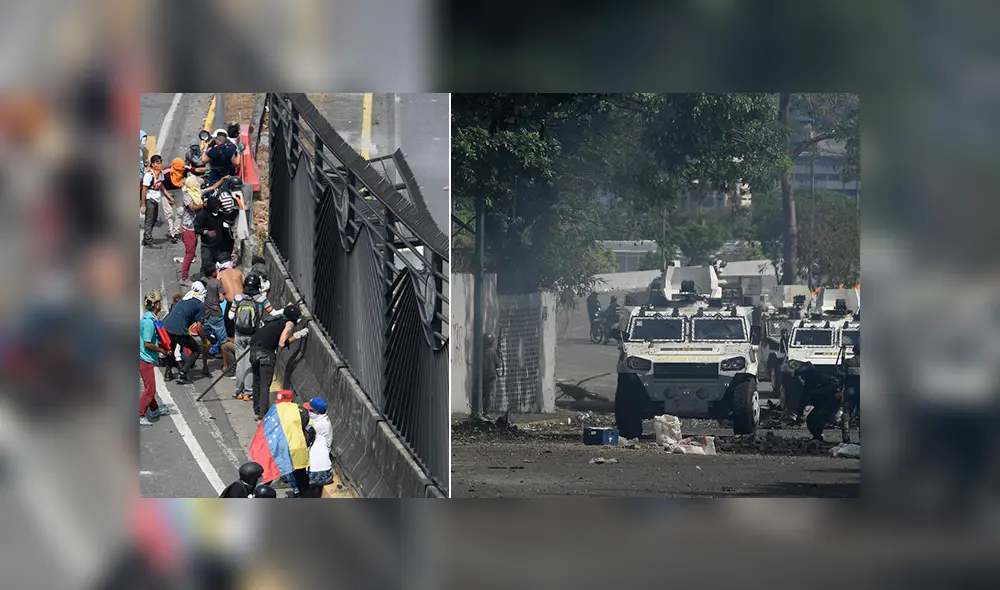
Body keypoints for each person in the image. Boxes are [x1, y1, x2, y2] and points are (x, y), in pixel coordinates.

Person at [249, 304, 308, 421]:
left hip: (253, 351)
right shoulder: (289, 324)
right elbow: (281, 343)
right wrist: (297, 335)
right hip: (266, 354)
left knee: (257, 382)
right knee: (265, 385)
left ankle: (257, 410)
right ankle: (263, 414)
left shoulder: (275, 320)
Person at [161, 281, 212, 384]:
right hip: (179, 331)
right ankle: (183, 373)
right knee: (196, 349)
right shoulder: (200, 305)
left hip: (166, 327)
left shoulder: (184, 298)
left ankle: (168, 372)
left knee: (171, 347)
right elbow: (199, 328)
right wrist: (205, 341)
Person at [140, 289, 171, 426]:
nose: (161, 304)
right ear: (156, 304)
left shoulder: (151, 318)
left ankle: (154, 410)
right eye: (159, 302)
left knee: (149, 387)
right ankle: (140, 414)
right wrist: (162, 351)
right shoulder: (149, 322)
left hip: (145, 357)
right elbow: (147, 343)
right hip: (144, 358)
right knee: (150, 389)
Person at [194, 194, 232, 274]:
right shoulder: (202, 215)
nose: (217, 209)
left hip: (218, 244)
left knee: (218, 264)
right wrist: (206, 232)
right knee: (206, 265)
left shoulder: (220, 214)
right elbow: (196, 228)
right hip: (207, 245)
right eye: (215, 207)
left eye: (218, 206)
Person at [304, 397, 333, 496]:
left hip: (316, 465)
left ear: (316, 412)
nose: (308, 412)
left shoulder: (319, 424)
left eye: (310, 410)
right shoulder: (320, 420)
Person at [140, 154, 171, 247]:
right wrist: (143, 205)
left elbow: (161, 186)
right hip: (150, 199)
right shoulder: (149, 175)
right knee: (149, 220)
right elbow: (144, 190)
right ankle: (149, 240)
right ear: (153, 164)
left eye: (160, 162)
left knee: (153, 220)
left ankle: (146, 238)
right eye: (157, 163)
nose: (159, 164)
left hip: (156, 199)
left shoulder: (160, 173)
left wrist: (168, 196)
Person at [200, 260, 228, 359]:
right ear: (213, 273)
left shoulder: (203, 280)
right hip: (216, 313)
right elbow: (221, 299)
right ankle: (226, 363)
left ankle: (205, 360)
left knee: (205, 338)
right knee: (223, 340)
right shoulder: (218, 283)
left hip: (205, 313)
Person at [157, 158, 188, 244]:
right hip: (166, 191)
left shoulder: (184, 169)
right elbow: (160, 183)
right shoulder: (165, 172)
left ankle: (176, 230)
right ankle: (171, 231)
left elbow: (196, 170)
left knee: (180, 211)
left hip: (178, 190)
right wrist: (168, 196)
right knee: (169, 212)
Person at [841, 343, 861, 443]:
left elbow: (841, 375)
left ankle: (846, 436)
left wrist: (843, 353)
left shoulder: (848, 362)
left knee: (847, 412)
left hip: (850, 390)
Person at [481, 332, 502, 413]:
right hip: (490, 376)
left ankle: (480, 411)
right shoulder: (493, 352)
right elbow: (498, 364)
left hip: (482, 376)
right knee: (488, 395)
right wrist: (499, 356)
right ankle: (486, 412)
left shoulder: (481, 351)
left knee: (482, 394)